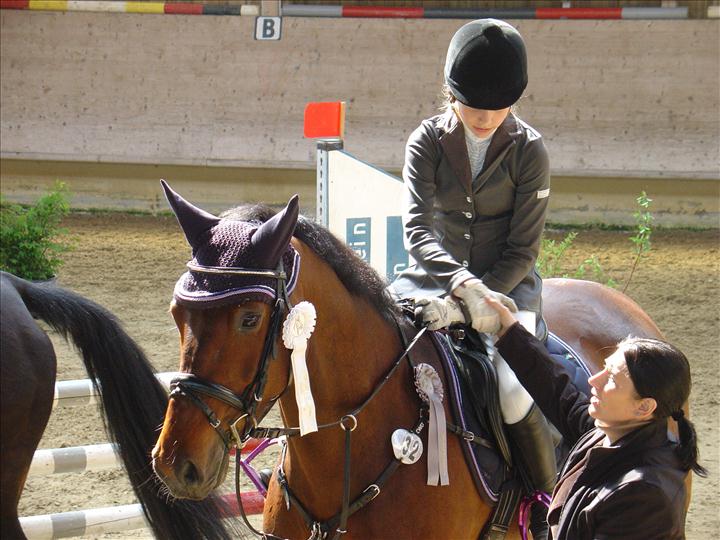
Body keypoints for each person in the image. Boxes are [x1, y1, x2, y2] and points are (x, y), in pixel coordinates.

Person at [389, 18, 555, 537]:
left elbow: (522, 250)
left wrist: (473, 303)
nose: (484, 118)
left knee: (512, 390)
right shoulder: (426, 139)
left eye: (498, 107)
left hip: (507, 291)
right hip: (429, 281)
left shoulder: (530, 151)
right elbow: (418, 230)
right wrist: (458, 285)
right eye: (471, 105)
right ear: (450, 93)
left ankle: (545, 504)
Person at [480, 294, 707, 539]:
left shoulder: (645, 496)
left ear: (644, 407)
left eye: (611, 379)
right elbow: (560, 396)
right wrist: (508, 330)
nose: (593, 381)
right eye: (604, 369)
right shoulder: (611, 433)